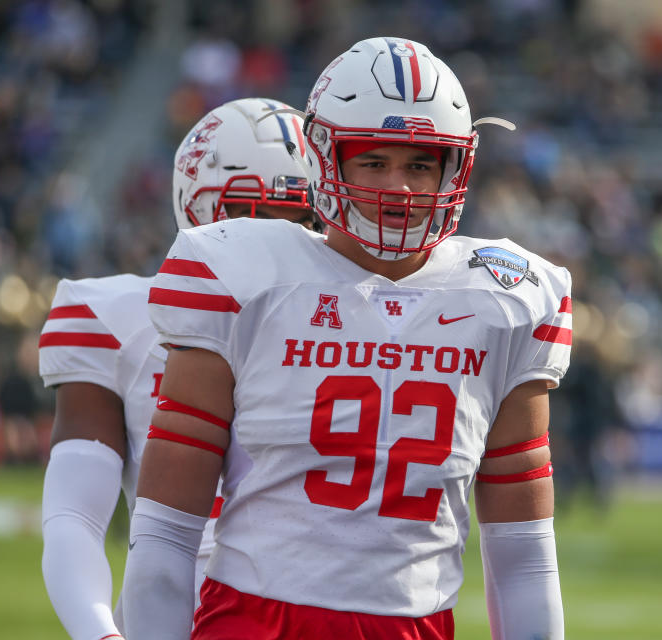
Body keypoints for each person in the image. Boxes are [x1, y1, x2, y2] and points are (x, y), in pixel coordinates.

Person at [122, 38, 571, 640]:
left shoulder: (506, 298)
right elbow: (166, 531)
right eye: (374, 161)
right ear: (326, 158)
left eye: (420, 164)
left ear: (455, 166)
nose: (401, 188)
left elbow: (524, 555)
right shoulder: (243, 275)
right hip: (255, 623)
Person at [38, 97, 314, 640]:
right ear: (196, 203)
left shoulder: (357, 325)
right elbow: (75, 514)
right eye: (256, 213)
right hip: (170, 615)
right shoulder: (116, 317)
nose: (283, 240)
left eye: (303, 219)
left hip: (313, 613)